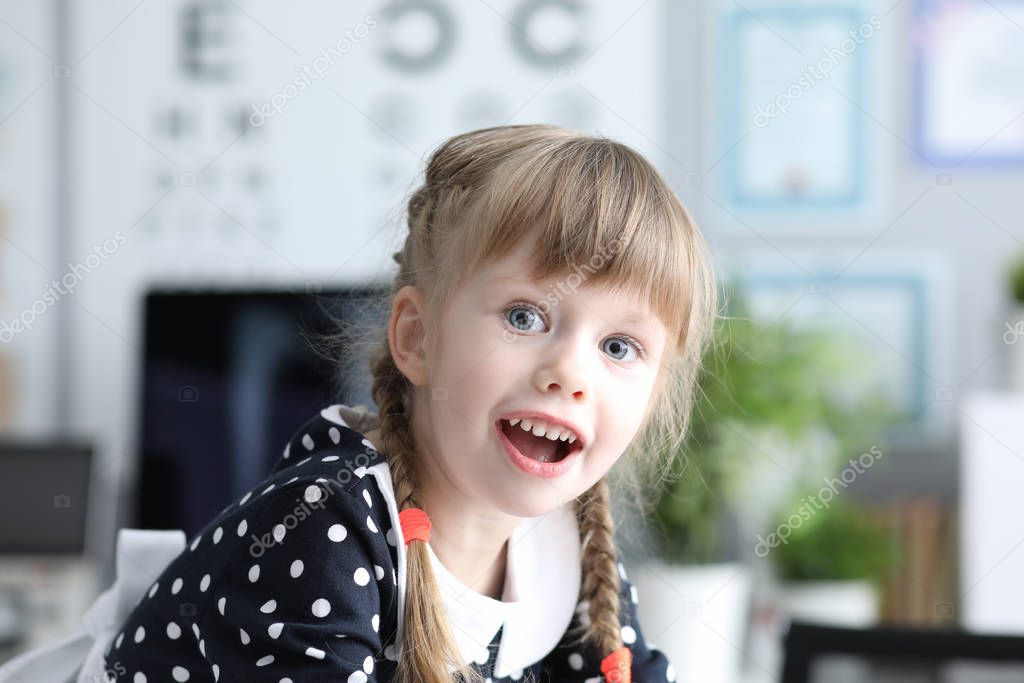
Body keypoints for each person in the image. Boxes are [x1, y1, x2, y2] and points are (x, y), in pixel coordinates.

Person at [42, 123, 718, 683]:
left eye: (621, 347)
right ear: (417, 338)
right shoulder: (326, 522)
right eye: (524, 316)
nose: (570, 373)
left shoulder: (570, 550)